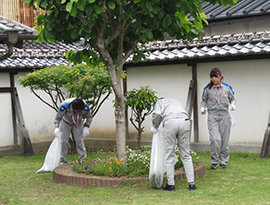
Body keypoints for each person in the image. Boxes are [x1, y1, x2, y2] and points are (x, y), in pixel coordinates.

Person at [151, 98, 196, 191]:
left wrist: (155, 126)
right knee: (186, 154)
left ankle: (171, 184)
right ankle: (191, 184)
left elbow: (157, 114)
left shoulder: (159, 102)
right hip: (185, 121)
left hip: (170, 122)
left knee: (169, 154)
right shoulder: (177, 101)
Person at [201, 68, 236, 170]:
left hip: (224, 114)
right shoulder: (207, 89)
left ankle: (223, 161)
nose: (214, 79)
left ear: (220, 76)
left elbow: (233, 98)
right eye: (212, 77)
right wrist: (203, 107)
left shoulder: (227, 88)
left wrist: (233, 105)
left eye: (216, 76)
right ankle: (214, 161)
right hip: (212, 115)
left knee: (225, 139)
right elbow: (203, 100)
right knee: (215, 139)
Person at [54, 98, 92, 165]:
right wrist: (56, 127)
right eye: (76, 110)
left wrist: (87, 127)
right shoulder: (64, 105)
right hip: (66, 122)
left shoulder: (85, 107)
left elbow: (89, 117)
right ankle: (63, 160)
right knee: (63, 141)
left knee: (79, 140)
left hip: (78, 122)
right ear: (72, 107)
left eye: (79, 111)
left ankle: (83, 159)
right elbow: (57, 118)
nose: (78, 112)